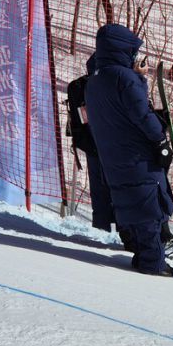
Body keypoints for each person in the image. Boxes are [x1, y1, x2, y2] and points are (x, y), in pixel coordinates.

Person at [84, 24, 173, 276]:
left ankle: (141, 254)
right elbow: (141, 114)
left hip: (112, 153)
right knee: (149, 204)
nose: (135, 57)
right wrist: (160, 139)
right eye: (132, 52)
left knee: (129, 202)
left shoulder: (95, 80)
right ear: (121, 50)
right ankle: (153, 263)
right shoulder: (125, 79)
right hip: (137, 153)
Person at [66, 54, 114, 232]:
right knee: (117, 189)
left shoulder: (84, 85)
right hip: (110, 147)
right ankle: (122, 230)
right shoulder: (107, 84)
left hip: (91, 144)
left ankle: (101, 228)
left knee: (99, 189)